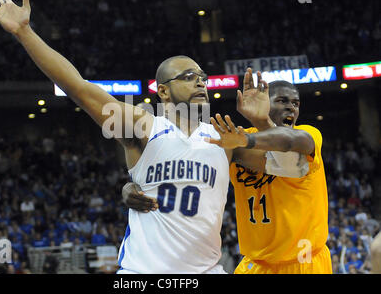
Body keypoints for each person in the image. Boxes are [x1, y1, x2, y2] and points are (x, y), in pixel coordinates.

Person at [0, 0, 306, 274]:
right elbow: (78, 87)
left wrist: (262, 123)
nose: (201, 81)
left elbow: (295, 169)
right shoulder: (143, 125)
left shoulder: (226, 137)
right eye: (188, 76)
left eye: (203, 76)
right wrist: (25, 33)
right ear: (162, 91)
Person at [124, 70, 332, 273]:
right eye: (282, 101)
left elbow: (287, 142)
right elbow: (177, 163)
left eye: (295, 103)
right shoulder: (234, 140)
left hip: (304, 262)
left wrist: (258, 125)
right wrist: (132, 186)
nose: (291, 108)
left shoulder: (307, 135)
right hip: (256, 263)